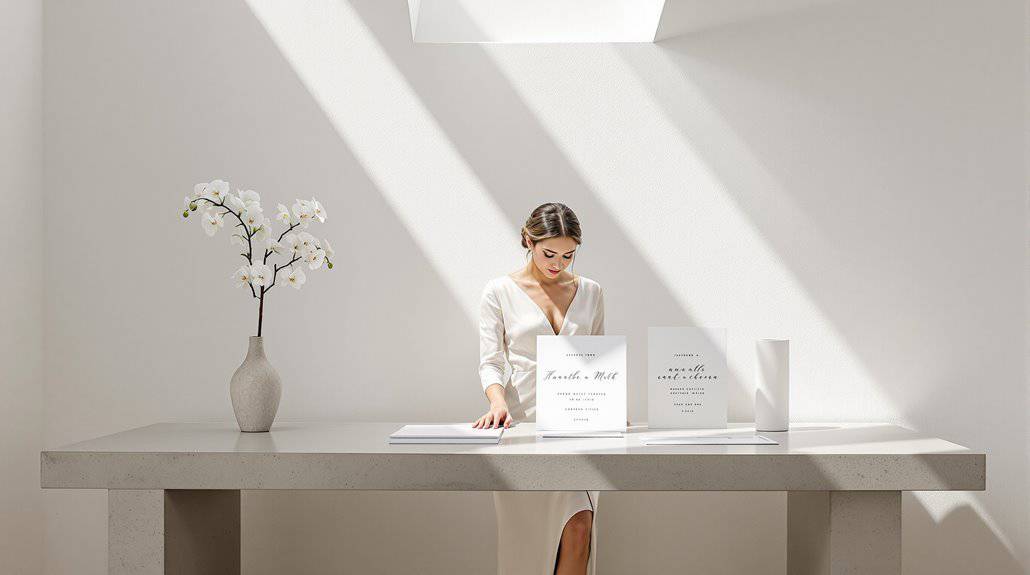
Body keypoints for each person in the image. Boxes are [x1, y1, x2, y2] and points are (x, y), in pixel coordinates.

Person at [473, 202, 605, 575]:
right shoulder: (499, 291)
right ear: (528, 241)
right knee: (527, 551)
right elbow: (491, 361)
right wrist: (497, 403)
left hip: (578, 427)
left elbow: (596, 360)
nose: (558, 263)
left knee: (579, 528)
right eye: (549, 253)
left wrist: (608, 406)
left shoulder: (591, 292)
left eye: (568, 255)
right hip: (523, 427)